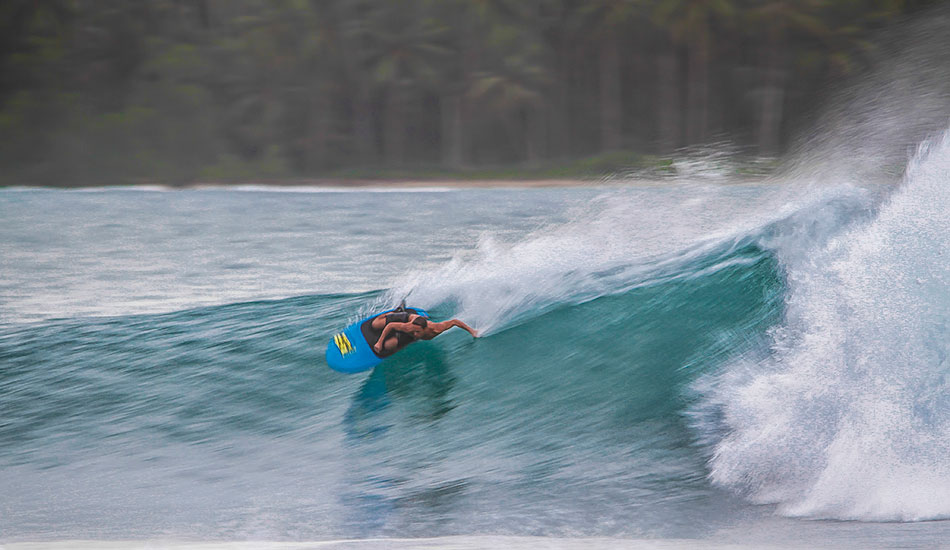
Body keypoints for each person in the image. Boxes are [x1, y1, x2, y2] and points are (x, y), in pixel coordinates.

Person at [370, 308, 478, 355]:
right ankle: (394, 312)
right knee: (375, 324)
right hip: (406, 318)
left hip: (415, 324)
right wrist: (379, 342)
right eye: (414, 331)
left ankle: (396, 337)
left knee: (388, 346)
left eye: (417, 332)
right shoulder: (409, 327)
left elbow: (455, 322)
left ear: (425, 329)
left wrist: (472, 331)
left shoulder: (437, 328)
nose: (415, 334)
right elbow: (390, 326)